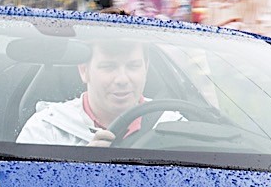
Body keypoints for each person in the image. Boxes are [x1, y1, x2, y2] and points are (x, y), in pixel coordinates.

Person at [18, 37, 175, 146]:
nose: (122, 79)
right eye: (109, 67)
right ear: (84, 70)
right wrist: (82, 169)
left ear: (146, 69)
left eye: (133, 66)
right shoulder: (47, 130)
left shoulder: (172, 126)